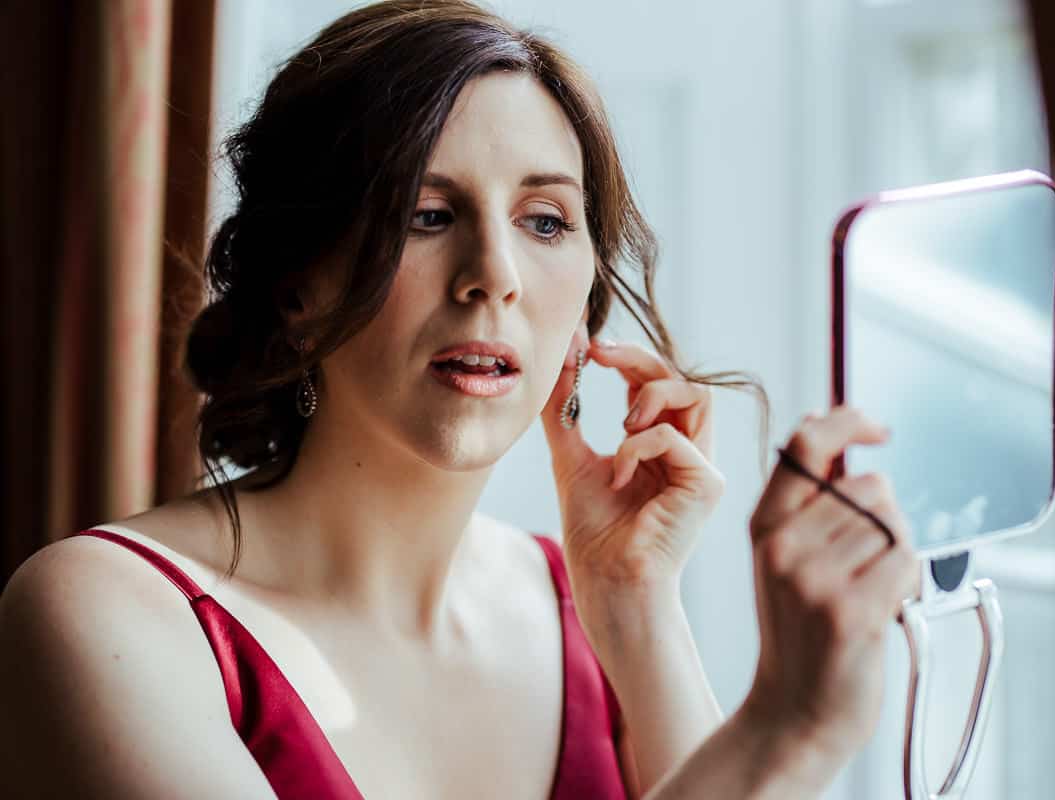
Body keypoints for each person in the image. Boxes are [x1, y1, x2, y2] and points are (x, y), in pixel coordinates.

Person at [0, 2, 919, 797]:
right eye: (426, 216)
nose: (494, 277)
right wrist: (785, 732)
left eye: (545, 221)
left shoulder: (593, 611)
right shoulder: (102, 616)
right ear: (297, 283)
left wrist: (639, 607)